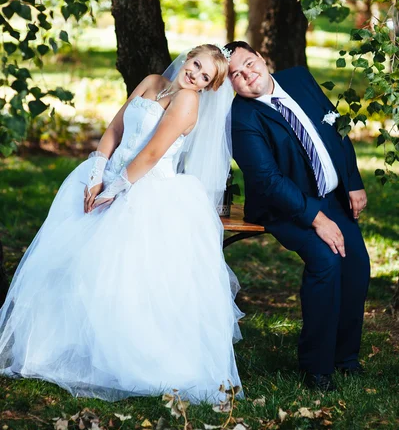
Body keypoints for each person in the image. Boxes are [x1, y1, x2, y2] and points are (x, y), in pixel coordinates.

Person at [0, 44, 243, 404]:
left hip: (143, 188)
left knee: (121, 273)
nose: (195, 75)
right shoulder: (151, 81)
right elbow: (115, 127)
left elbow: (151, 153)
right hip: (109, 174)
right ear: (188, 56)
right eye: (196, 65)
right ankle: (60, 346)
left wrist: (114, 188)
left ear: (207, 87)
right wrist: (97, 172)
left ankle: (121, 356)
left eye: (205, 77)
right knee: (71, 262)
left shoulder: (187, 103)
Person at [225, 40, 370, 392]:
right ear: (230, 84)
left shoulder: (299, 79)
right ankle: (317, 367)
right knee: (326, 261)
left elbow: (337, 130)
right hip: (285, 207)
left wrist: (352, 181)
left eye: (248, 64)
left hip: (333, 197)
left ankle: (345, 358)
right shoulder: (242, 117)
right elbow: (268, 181)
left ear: (260, 57)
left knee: (357, 266)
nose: (246, 75)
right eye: (235, 75)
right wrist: (317, 219)